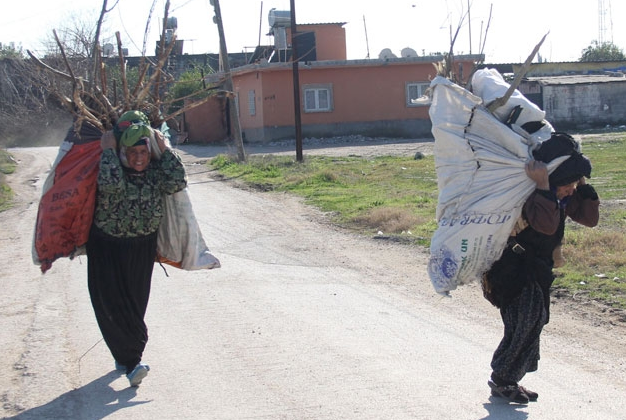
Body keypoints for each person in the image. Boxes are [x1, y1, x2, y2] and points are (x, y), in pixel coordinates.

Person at [481, 133, 600, 404]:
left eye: (573, 184)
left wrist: (582, 187)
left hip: (536, 269)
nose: (569, 189)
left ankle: (508, 378)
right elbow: (546, 225)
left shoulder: (561, 196)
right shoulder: (536, 195)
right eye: (566, 184)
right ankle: (503, 378)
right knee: (524, 322)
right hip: (510, 268)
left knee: (534, 321)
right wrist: (545, 185)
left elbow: (590, 219)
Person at [86, 111, 188, 387]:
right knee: (110, 303)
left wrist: (165, 150)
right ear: (122, 152)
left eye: (143, 151)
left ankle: (125, 353)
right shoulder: (112, 167)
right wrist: (107, 151)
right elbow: (110, 185)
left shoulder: (156, 174)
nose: (139, 158)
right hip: (107, 246)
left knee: (135, 304)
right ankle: (133, 362)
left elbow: (178, 181)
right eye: (132, 152)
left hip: (142, 247)